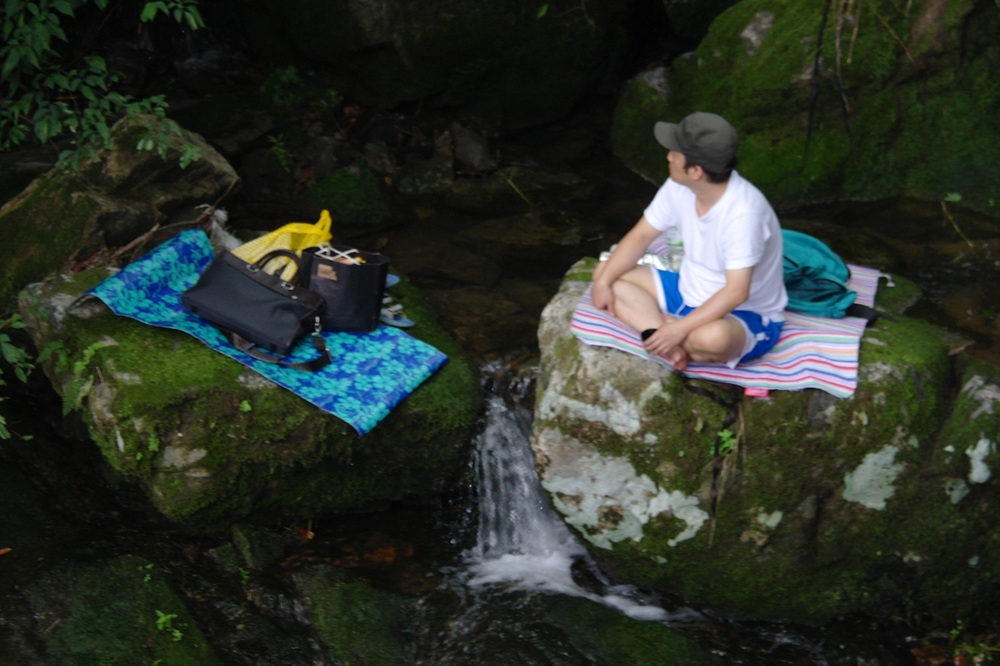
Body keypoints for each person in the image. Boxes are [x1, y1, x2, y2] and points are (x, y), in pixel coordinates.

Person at [591, 112, 787, 371]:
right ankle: (663, 337)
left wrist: (680, 329)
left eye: (675, 153)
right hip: (687, 289)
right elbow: (641, 236)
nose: (668, 157)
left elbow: (737, 292)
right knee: (605, 272)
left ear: (696, 171)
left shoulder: (743, 214)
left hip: (742, 313)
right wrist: (603, 282)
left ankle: (670, 332)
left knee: (712, 338)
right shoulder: (679, 186)